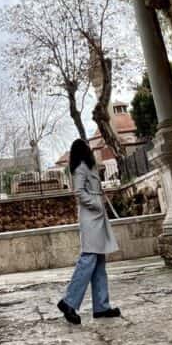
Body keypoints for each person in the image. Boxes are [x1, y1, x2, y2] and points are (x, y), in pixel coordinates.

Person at [57, 138, 121, 325]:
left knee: (99, 261)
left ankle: (101, 306)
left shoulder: (88, 167)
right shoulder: (81, 169)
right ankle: (68, 302)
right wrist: (96, 205)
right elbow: (79, 192)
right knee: (88, 259)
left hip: (97, 217)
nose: (90, 149)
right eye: (87, 146)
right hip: (91, 217)